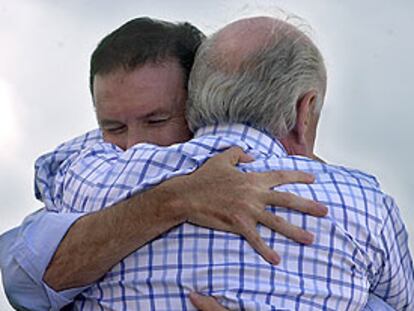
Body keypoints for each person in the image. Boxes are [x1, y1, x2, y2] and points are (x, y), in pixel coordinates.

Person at [30, 16, 413, 309]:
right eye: (112, 128)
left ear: (194, 103)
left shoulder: (90, 176)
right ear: (305, 110)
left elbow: (26, 264)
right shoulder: (363, 205)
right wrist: (176, 197)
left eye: (157, 120)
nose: (134, 147)